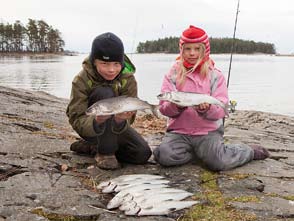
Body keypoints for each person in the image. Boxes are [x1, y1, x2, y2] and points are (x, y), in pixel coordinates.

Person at [153, 25, 270, 171]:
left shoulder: (216, 75)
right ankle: (198, 153)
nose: (192, 53)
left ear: (205, 50)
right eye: (187, 49)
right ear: (181, 50)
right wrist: (177, 106)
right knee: (164, 156)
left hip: (208, 132)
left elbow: (220, 111)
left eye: (197, 49)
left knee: (218, 162)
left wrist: (207, 109)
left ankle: (248, 151)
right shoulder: (172, 74)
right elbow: (164, 108)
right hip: (179, 132)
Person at [66, 32, 151, 170]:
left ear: (122, 62)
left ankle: (92, 146)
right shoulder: (81, 80)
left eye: (116, 64)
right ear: (94, 61)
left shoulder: (128, 79)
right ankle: (105, 153)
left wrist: (120, 120)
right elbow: (76, 118)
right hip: (92, 126)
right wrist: (97, 121)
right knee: (104, 92)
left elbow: (131, 116)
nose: (111, 69)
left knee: (141, 154)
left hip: (115, 128)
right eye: (104, 63)